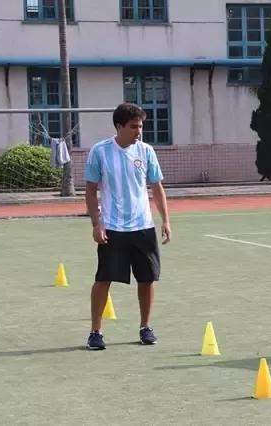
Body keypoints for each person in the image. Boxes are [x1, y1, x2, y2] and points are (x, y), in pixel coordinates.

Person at [84, 103, 171, 350]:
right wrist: (96, 223)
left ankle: (145, 327)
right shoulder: (100, 152)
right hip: (112, 228)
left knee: (147, 279)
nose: (139, 131)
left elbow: (156, 187)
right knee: (104, 279)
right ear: (119, 126)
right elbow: (90, 191)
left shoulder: (146, 151)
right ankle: (95, 332)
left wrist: (165, 220)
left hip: (143, 226)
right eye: (134, 127)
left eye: (141, 126)